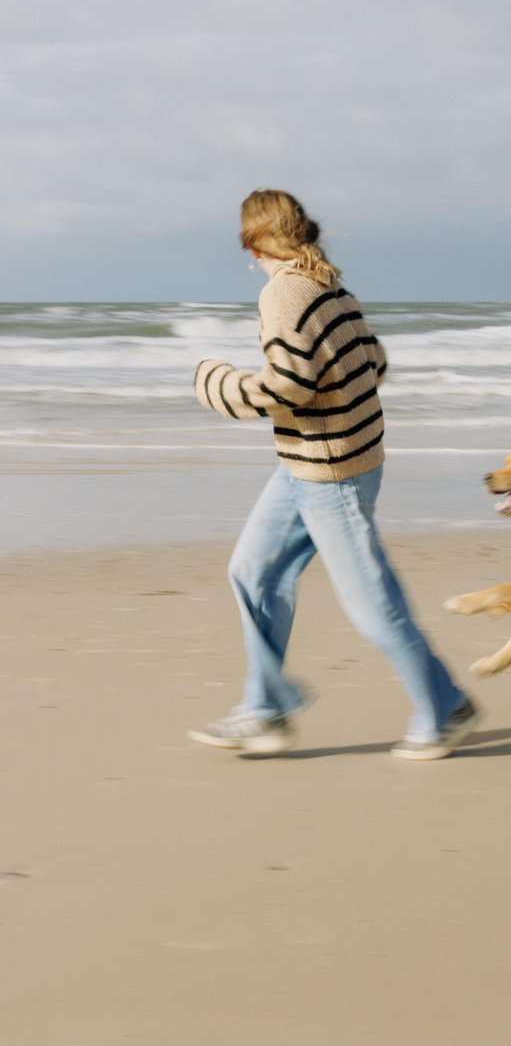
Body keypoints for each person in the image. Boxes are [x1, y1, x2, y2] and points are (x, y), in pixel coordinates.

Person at [189, 188, 480, 760]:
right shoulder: (329, 286)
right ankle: (267, 711)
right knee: (253, 571)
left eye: (247, 248)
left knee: (372, 602)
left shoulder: (286, 292)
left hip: (332, 475)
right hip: (313, 466)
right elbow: (374, 359)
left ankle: (445, 707)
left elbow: (284, 387)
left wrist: (215, 383)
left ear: (255, 243)